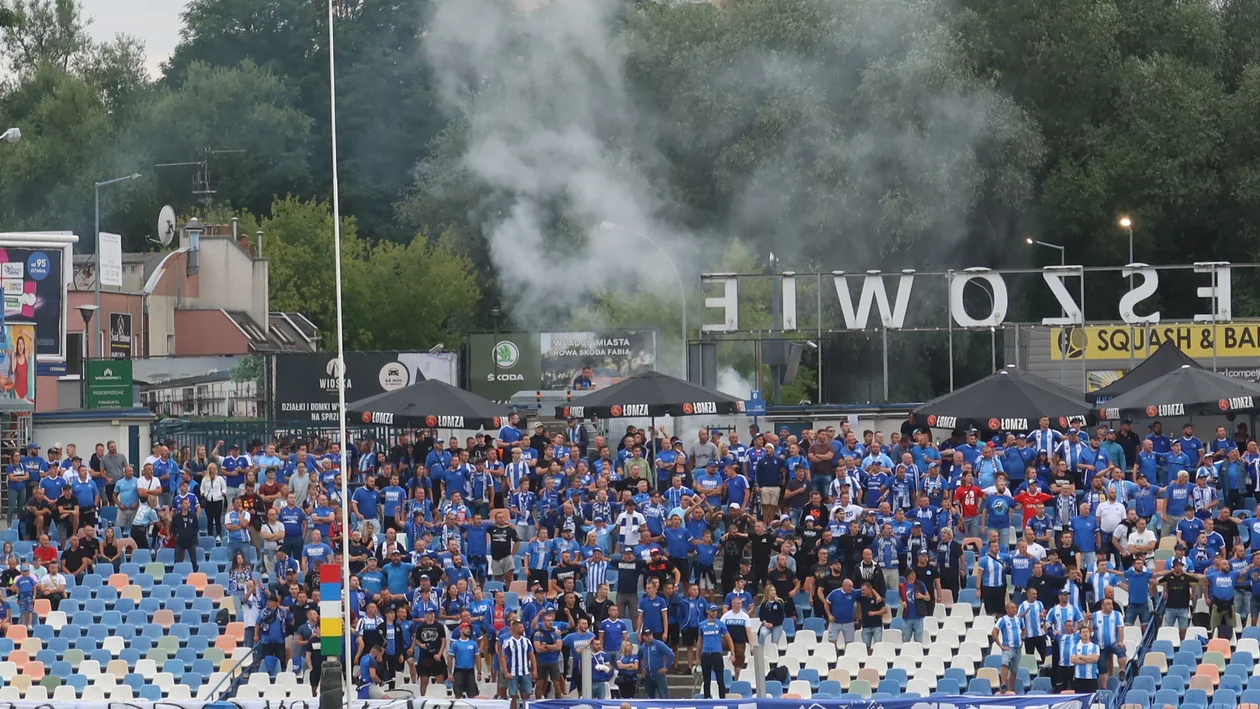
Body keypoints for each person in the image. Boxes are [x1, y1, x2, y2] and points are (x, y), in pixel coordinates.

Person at [697, 603, 730, 698]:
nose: (714, 613)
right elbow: (699, 642)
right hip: (705, 654)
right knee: (706, 680)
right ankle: (706, 699)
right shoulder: (702, 625)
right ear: (707, 611)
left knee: (720, 679)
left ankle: (722, 700)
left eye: (715, 611)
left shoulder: (720, 623)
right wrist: (698, 657)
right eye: (712, 611)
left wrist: (733, 653)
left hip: (717, 654)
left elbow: (728, 638)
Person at [500, 620, 536, 709]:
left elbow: (532, 656)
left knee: (527, 694)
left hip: (525, 672)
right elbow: (503, 658)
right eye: (521, 627)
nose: (523, 629)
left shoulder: (527, 641)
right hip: (513, 673)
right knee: (513, 696)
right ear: (515, 628)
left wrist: (534, 670)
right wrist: (506, 672)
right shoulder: (508, 642)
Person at [636, 627, 675, 698]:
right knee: (649, 696)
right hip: (648, 675)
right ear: (643, 637)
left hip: (659, 674)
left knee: (664, 695)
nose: (649, 637)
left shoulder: (659, 644)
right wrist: (642, 668)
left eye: (650, 635)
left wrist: (667, 667)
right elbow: (638, 658)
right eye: (647, 636)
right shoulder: (642, 648)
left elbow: (671, 654)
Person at [994, 601, 1022, 694]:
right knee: (1005, 664)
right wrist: (1000, 645)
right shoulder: (1003, 620)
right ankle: (1003, 684)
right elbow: (994, 632)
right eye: (1012, 608)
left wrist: (1023, 638)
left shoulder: (1019, 619)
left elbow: (1024, 629)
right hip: (1008, 647)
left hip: (1018, 648)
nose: (1014, 609)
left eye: (1015, 608)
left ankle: (1010, 689)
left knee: (1014, 669)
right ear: (1007, 609)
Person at [450, 622, 479, 698]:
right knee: (458, 694)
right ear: (460, 630)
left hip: (470, 671)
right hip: (459, 671)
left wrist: (479, 672)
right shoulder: (455, 644)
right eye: (466, 628)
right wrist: (450, 673)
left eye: (469, 628)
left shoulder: (473, 644)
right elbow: (450, 658)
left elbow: (477, 658)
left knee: (472, 694)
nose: (468, 630)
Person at [1070, 624, 1101, 693]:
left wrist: (1081, 656)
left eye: (1087, 632)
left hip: (1091, 678)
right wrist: (1090, 658)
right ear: (1080, 635)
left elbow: (1095, 659)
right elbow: (1073, 660)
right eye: (1083, 632)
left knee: (1092, 701)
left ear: (1090, 634)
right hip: (1078, 678)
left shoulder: (1095, 647)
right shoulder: (1075, 647)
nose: (1085, 634)